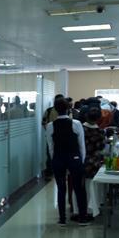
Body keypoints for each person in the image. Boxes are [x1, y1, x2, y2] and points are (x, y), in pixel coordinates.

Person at [46, 97, 90, 226]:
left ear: (55, 109)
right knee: (79, 188)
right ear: (69, 109)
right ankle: (82, 218)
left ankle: (62, 219)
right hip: (74, 158)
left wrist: (55, 159)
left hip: (58, 158)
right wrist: (81, 160)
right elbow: (81, 145)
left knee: (61, 188)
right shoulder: (76, 124)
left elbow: (50, 146)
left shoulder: (50, 126)